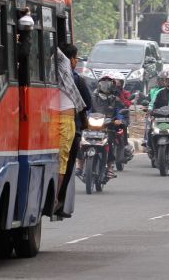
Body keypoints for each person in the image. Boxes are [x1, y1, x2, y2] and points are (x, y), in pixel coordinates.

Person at [59, 44, 91, 217]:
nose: (76, 61)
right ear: (70, 60)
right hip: (73, 129)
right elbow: (88, 103)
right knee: (66, 165)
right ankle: (60, 200)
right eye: (75, 58)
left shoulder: (52, 76)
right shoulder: (76, 80)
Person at [53, 46, 86, 205]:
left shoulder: (60, 70)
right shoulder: (61, 66)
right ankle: (56, 196)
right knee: (61, 161)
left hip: (61, 120)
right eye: (75, 57)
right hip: (61, 120)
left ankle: (56, 196)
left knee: (60, 160)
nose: (76, 61)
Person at [88, 72, 126, 179]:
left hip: (108, 128)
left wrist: (119, 120)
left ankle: (109, 168)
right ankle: (79, 165)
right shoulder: (92, 98)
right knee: (81, 142)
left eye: (108, 84)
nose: (105, 86)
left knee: (110, 143)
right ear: (99, 85)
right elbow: (87, 110)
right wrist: (84, 118)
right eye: (103, 84)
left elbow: (120, 112)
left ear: (112, 86)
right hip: (92, 127)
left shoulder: (115, 99)